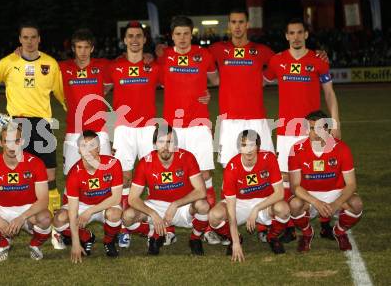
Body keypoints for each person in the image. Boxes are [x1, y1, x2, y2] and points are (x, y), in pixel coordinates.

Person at [264, 18, 340, 242]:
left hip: (316, 127)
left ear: (306, 35)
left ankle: (325, 222)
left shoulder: (318, 60)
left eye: (300, 33)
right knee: (287, 176)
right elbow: (259, 81)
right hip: (287, 129)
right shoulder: (277, 61)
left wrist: (335, 122)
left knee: (319, 170)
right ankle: (288, 223)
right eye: (291, 33)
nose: (296, 37)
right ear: (286, 36)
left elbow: (329, 93)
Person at [0, 21, 66, 214]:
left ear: (39, 39)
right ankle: (17, 217)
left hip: (43, 125)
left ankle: (54, 227)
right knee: (19, 175)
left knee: (49, 177)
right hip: (17, 125)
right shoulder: (8, 62)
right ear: (20, 39)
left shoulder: (50, 64)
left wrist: (76, 114)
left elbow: (62, 94)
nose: (29, 41)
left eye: (33, 37)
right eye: (25, 37)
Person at [157, 15, 220, 244]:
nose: (182, 38)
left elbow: (214, 79)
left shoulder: (204, 55)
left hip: (198, 124)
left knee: (203, 174)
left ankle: (207, 227)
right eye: (178, 34)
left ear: (191, 34)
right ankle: (169, 228)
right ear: (171, 36)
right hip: (172, 127)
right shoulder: (164, 57)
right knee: (173, 174)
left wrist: (207, 94)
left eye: (186, 33)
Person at [107, 21, 161, 248]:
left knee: (152, 176)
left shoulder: (154, 66)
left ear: (144, 39)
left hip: (148, 128)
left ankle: (155, 224)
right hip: (123, 129)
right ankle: (124, 226)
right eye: (130, 36)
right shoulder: (114, 67)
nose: (135, 40)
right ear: (125, 40)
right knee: (125, 177)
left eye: (139, 36)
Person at [122, 125, 210, 255]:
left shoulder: (187, 157)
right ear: (154, 145)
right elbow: (132, 198)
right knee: (127, 217)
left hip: (182, 206)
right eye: (161, 142)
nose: (166, 146)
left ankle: (195, 238)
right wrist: (152, 213)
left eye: (170, 142)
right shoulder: (145, 162)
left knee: (203, 205)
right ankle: (154, 231)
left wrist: (175, 204)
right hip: (156, 205)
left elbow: (201, 191)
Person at [208, 130, 290, 261]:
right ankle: (234, 238)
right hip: (239, 203)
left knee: (284, 209)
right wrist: (235, 242)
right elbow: (231, 209)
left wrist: (256, 208)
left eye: (252, 145)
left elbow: (279, 193)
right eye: (244, 145)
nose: (249, 149)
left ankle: (272, 237)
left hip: (264, 202)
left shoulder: (268, 158)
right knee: (214, 216)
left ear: (258, 146)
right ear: (239, 147)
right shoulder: (232, 167)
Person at [288, 110, 363, 252]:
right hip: (309, 196)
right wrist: (316, 202)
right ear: (306, 130)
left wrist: (336, 203)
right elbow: (295, 186)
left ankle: (339, 231)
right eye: (311, 128)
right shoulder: (296, 149)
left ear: (327, 129)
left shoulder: (342, 148)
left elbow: (351, 184)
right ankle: (307, 233)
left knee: (357, 204)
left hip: (336, 193)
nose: (315, 133)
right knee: (294, 204)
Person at [0, 122, 52, 262]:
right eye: (7, 141)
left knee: (46, 218)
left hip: (28, 210)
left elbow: (43, 200)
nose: (12, 146)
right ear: (1, 143)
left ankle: (35, 245)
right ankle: (2, 243)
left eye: (16, 141)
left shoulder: (35, 163)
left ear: (22, 141)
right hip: (2, 209)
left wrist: (22, 217)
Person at [209, 8, 275, 167]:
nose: (237, 26)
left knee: (264, 164)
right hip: (228, 119)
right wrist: (161, 54)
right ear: (229, 25)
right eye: (233, 22)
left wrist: (265, 78)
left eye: (241, 22)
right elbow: (194, 59)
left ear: (247, 25)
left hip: (257, 117)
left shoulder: (261, 50)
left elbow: (284, 63)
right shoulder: (217, 49)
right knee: (229, 165)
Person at [53, 130, 123, 262]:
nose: (88, 150)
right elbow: (73, 211)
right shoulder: (74, 173)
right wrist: (75, 243)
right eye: (84, 146)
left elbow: (116, 198)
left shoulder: (113, 164)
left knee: (114, 214)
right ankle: (86, 237)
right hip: (82, 204)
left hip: (106, 203)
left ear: (99, 148)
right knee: (59, 220)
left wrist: (89, 211)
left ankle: (108, 242)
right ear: (79, 149)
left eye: (92, 146)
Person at [60, 28, 112, 177]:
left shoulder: (103, 66)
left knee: (105, 173)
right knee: (71, 173)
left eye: (86, 47)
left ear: (92, 48)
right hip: (74, 129)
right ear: (73, 48)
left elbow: (122, 67)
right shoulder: (63, 68)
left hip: (99, 129)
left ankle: (110, 201)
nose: (83, 51)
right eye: (79, 47)